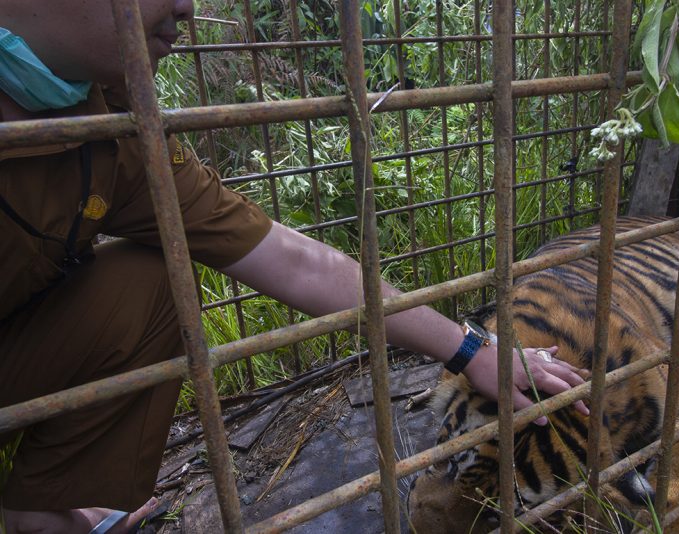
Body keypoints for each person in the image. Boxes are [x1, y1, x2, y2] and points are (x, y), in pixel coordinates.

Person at [0, 1, 589, 532]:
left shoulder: (114, 124)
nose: (187, 9)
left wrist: (471, 349)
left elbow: (294, 259)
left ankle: (43, 509)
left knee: (147, 280)